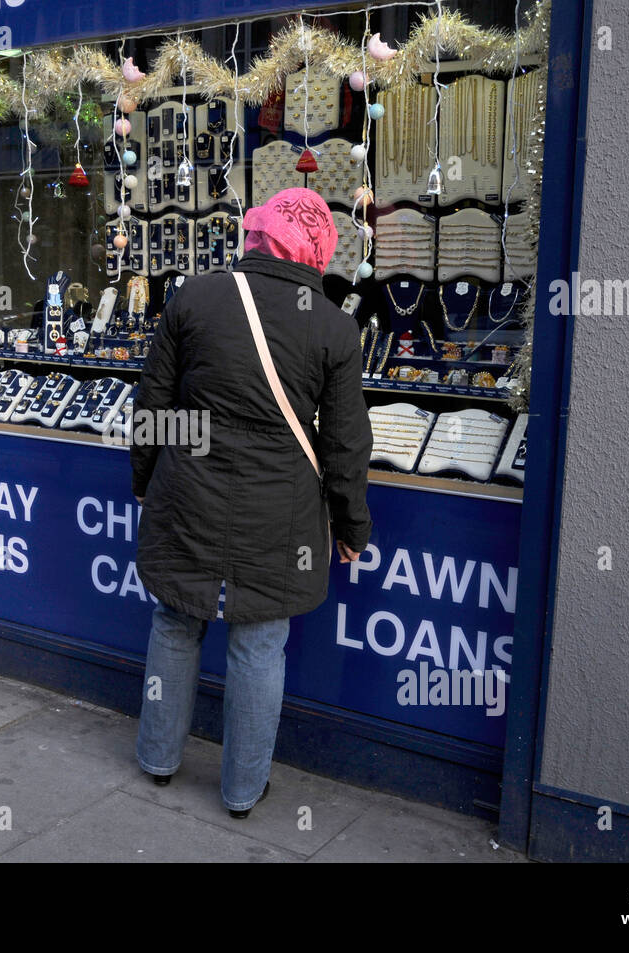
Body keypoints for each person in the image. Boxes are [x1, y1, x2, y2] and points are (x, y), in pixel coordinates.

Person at [130, 187, 373, 818]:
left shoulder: (197, 296)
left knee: (175, 623)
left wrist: (145, 479)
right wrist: (351, 526)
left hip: (186, 491)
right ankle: (241, 790)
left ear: (257, 232)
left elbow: (154, 408)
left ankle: (158, 758)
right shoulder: (333, 325)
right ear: (318, 248)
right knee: (260, 645)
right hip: (281, 512)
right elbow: (345, 444)